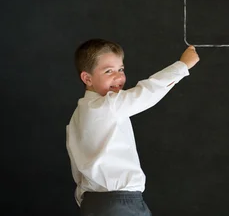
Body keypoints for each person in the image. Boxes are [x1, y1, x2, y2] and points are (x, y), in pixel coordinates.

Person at [66, 38, 200, 215]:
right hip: (117, 203)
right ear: (87, 78)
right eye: (108, 71)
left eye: (121, 69)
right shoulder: (106, 106)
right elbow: (146, 92)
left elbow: (78, 169)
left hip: (96, 202)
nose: (118, 77)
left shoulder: (78, 116)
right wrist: (183, 66)